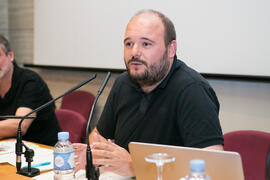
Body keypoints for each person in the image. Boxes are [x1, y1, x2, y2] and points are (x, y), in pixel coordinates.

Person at [74, 9, 224, 176]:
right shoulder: (123, 83)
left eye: (146, 44)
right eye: (128, 44)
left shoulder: (193, 91)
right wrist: (94, 153)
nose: (134, 52)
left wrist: (135, 167)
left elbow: (212, 170)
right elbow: (98, 138)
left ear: (171, 49)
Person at [0, 34, 61, 146]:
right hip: (9, 147)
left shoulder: (31, 81)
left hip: (43, 151)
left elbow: (20, 125)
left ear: (11, 55)